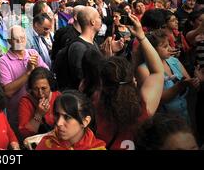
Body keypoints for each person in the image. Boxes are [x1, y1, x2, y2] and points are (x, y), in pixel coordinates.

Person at [96, 14, 164, 150]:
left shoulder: (93, 109)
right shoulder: (144, 109)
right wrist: (141, 36)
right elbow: (157, 72)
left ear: (102, 83)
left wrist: (107, 61)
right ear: (133, 81)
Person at [0, 25, 48, 135]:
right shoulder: (3, 61)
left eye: (22, 38)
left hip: (41, 110)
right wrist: (28, 72)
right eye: (16, 39)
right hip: (18, 116)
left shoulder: (33, 53)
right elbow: (7, 91)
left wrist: (37, 66)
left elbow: (47, 78)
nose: (20, 41)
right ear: (9, 41)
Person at [36, 90, 106, 150]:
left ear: (85, 121)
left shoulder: (97, 148)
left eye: (67, 117)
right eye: (57, 115)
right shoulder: (47, 144)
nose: (59, 123)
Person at [19, 67, 61, 139]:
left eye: (44, 88)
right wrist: (38, 114)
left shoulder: (58, 97)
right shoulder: (26, 102)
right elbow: (25, 134)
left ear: (50, 86)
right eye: (35, 89)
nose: (40, 93)